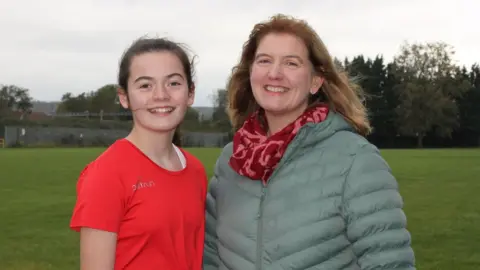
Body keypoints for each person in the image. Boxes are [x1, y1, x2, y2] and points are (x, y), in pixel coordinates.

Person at [203, 14, 416, 270]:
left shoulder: (355, 160)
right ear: (250, 74)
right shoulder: (231, 161)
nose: (274, 73)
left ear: (315, 81)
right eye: (264, 61)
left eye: (291, 63)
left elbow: (390, 262)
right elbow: (211, 257)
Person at [70, 37, 207, 270]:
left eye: (173, 83)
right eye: (145, 85)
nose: (161, 95)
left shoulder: (196, 170)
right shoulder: (106, 174)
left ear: (190, 93)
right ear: (124, 97)